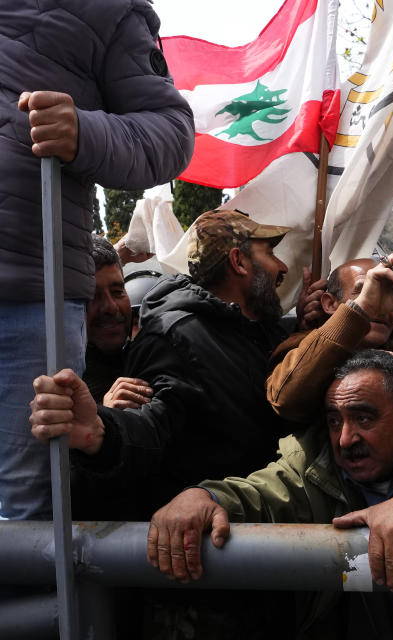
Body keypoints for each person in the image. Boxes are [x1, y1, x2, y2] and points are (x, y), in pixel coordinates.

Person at [147, 349, 393, 639]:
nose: (346, 439)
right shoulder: (313, 458)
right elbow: (261, 493)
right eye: (334, 421)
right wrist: (202, 497)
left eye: (363, 418)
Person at [0, 0, 194, 520]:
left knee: (24, 517)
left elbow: (173, 132)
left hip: (25, 299)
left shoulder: (106, 8)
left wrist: (85, 133)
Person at [30, 210, 295, 521]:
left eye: (118, 291)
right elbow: (153, 427)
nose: (110, 308)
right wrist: (104, 430)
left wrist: (311, 329)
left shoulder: (256, 328)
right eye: (271, 253)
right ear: (238, 262)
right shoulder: (174, 339)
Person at [266, 254, 393, 424]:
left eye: (388, 291)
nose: (378, 302)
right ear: (330, 303)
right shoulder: (301, 346)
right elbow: (286, 401)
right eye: (364, 290)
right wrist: (361, 309)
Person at [82, 236, 153, 411]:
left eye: (117, 291)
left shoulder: (150, 356)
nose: (111, 307)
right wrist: (105, 417)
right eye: (93, 296)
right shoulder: (62, 375)